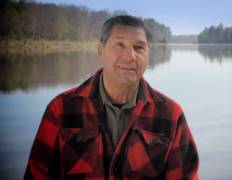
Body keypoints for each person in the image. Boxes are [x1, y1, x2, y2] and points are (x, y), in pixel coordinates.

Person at [24, 15, 199, 180]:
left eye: (139, 47)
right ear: (101, 50)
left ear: (148, 54)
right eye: (120, 45)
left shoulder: (171, 115)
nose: (130, 56)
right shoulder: (60, 109)